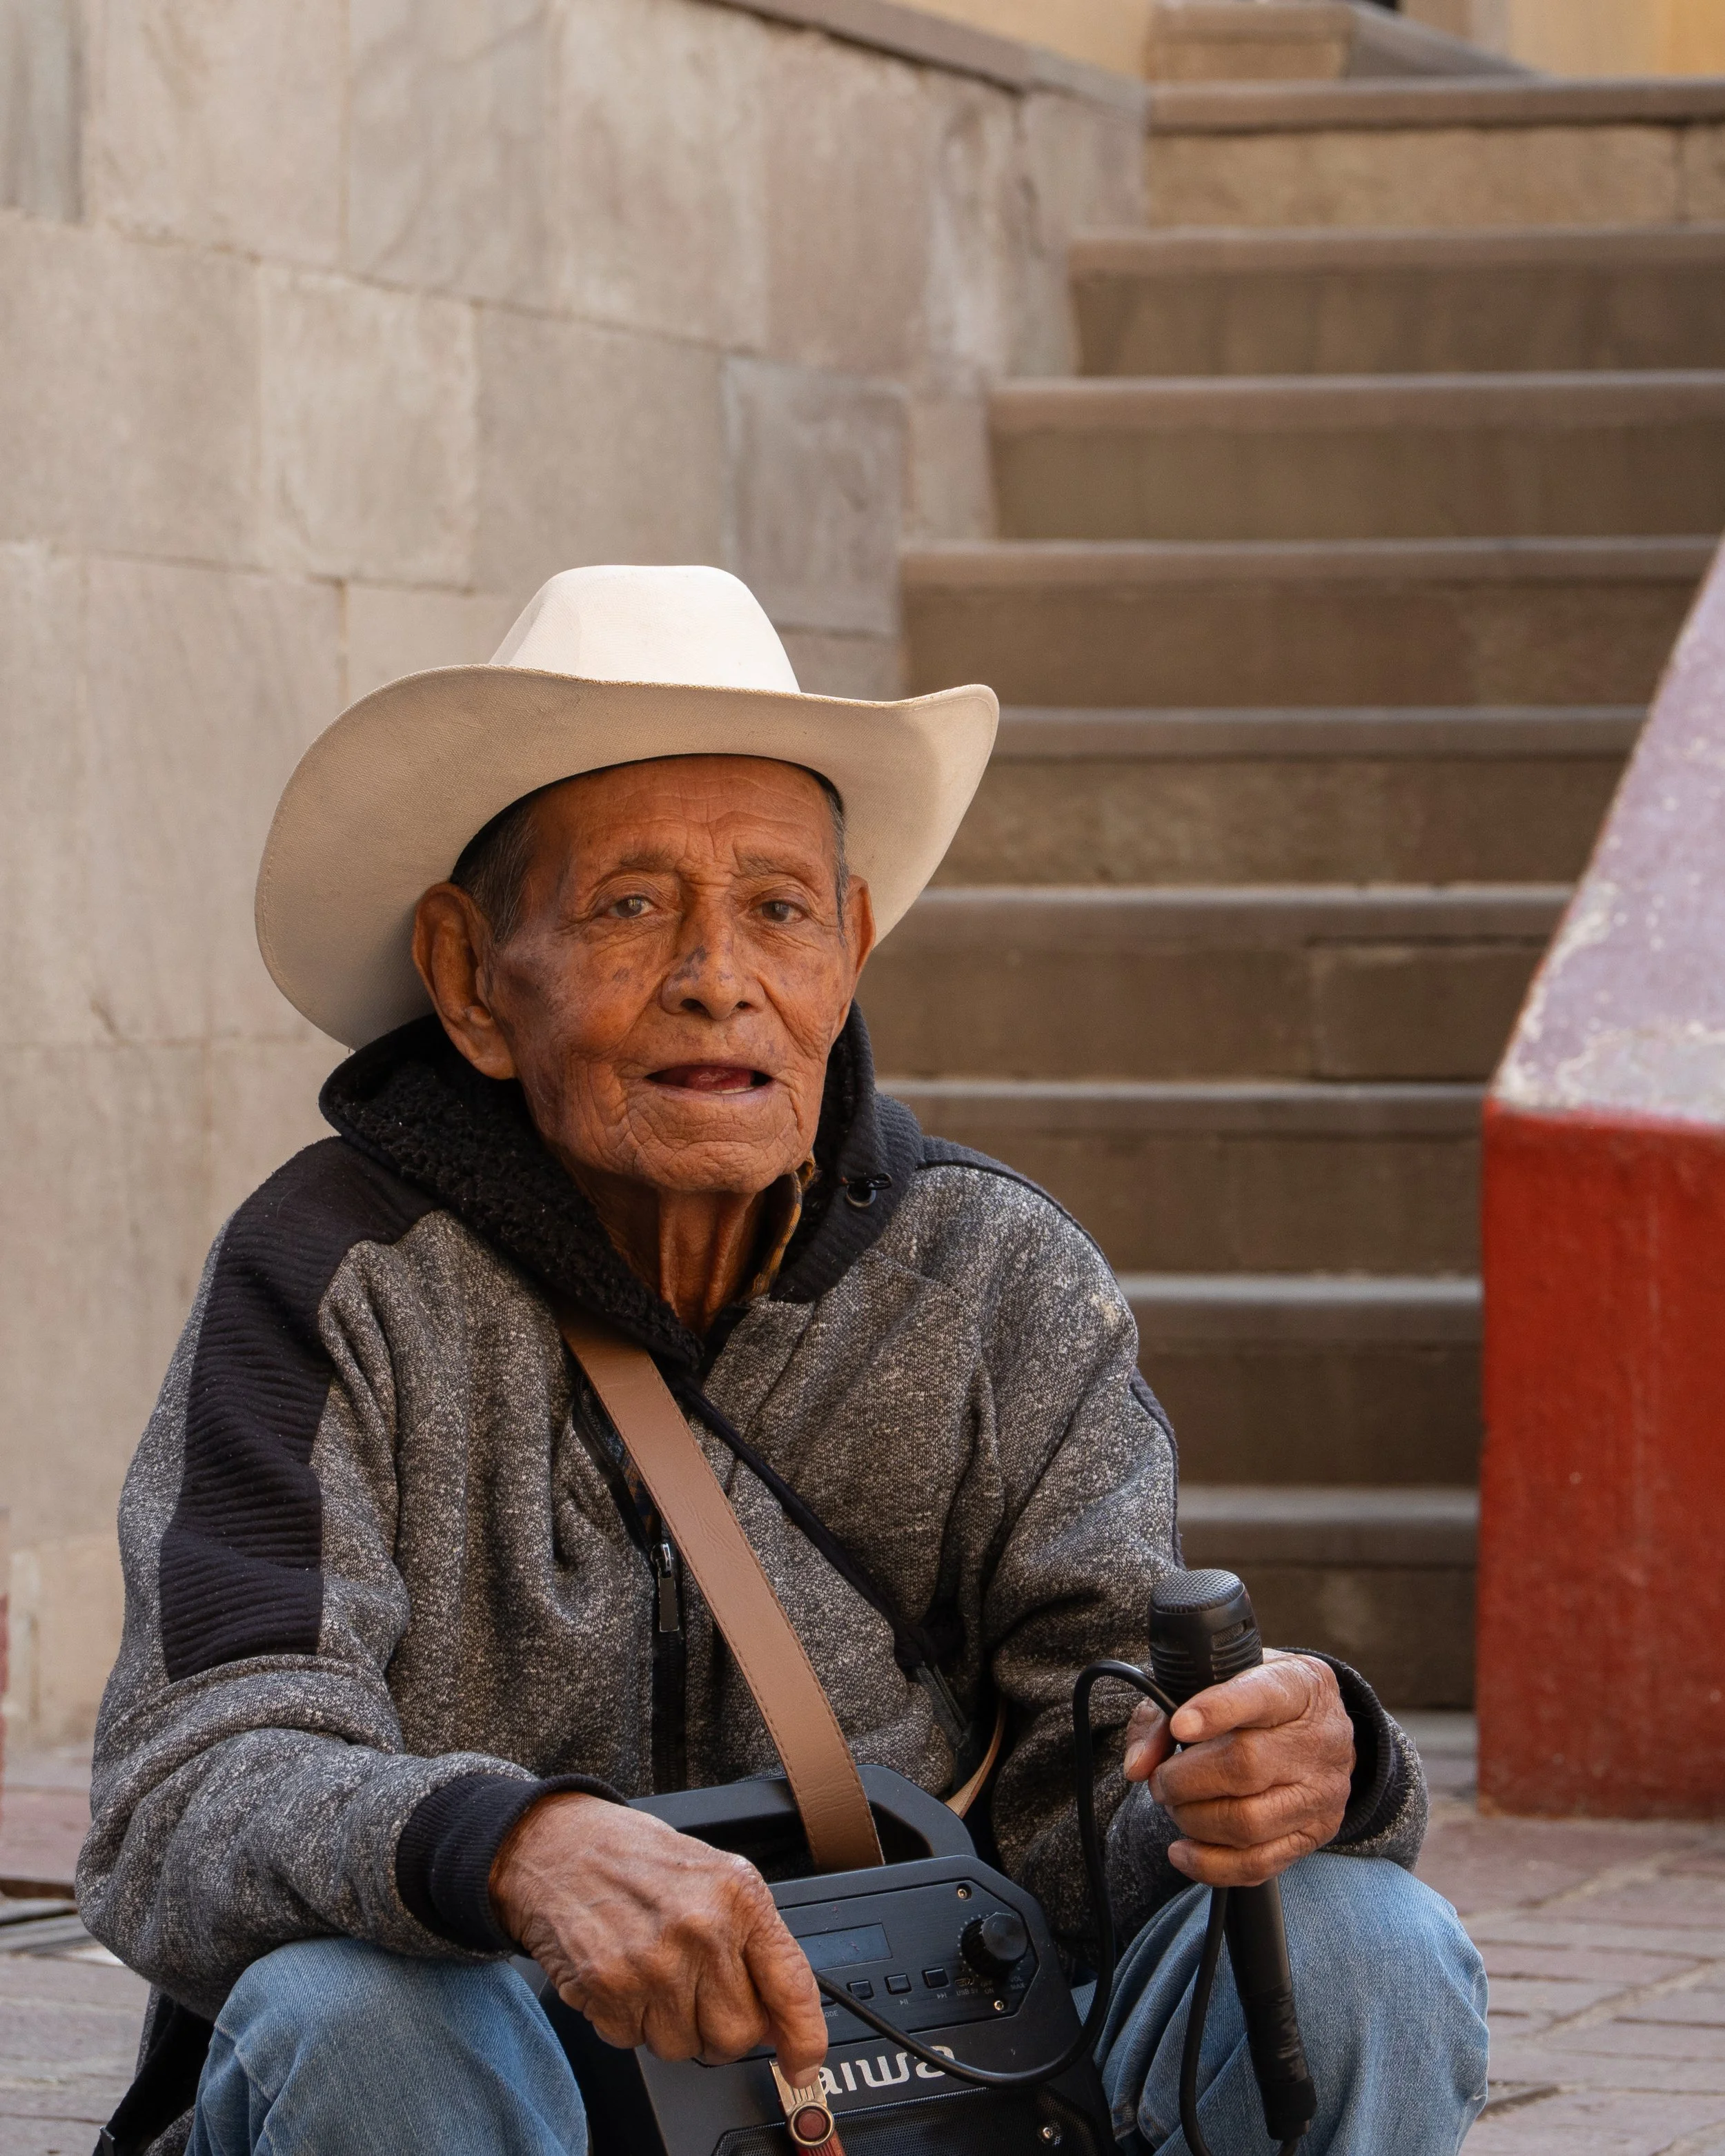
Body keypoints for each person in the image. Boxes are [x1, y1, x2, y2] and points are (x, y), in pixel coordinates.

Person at [80, 565, 1488, 2155]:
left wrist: (1289, 1761)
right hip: (515, 2069)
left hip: (921, 2077)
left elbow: (1088, 1775)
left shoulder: (995, 1273)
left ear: (850, 946)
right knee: (358, 2013)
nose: (716, 974)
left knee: (1363, 1941)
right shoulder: (330, 1277)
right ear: (471, 978)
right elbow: (185, 1784)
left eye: (776, 906)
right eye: (629, 905)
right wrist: (514, 1846)